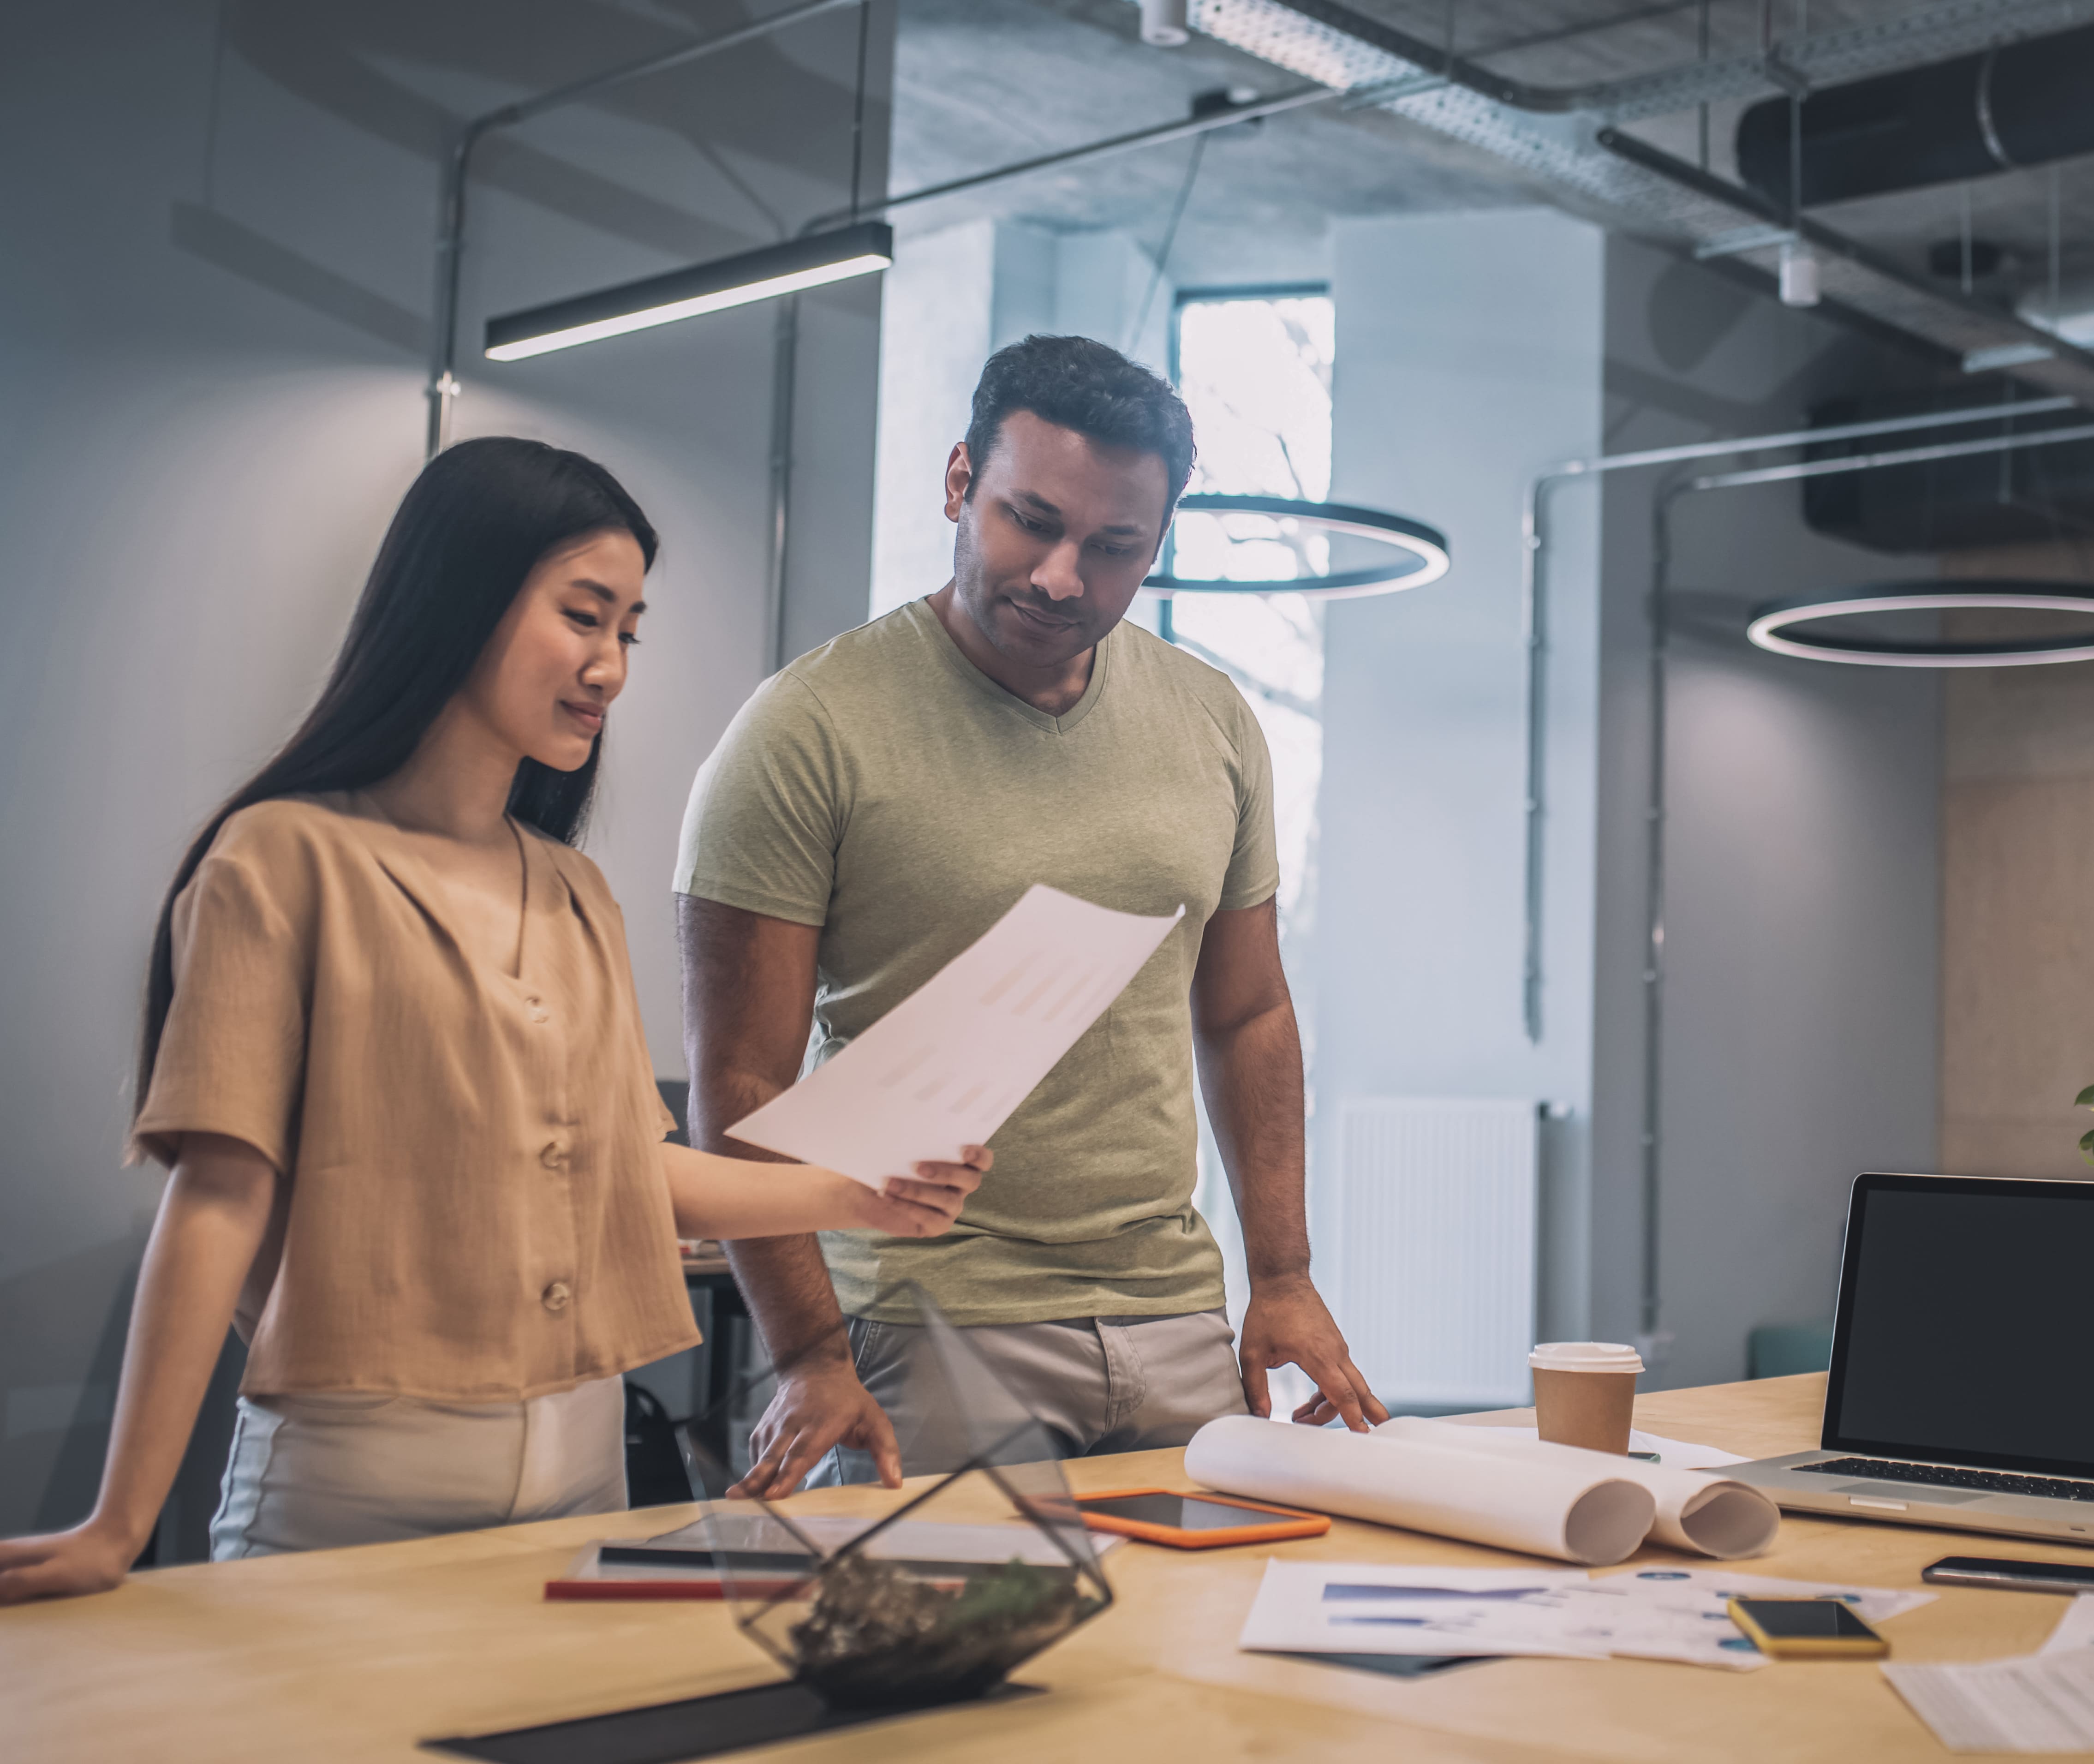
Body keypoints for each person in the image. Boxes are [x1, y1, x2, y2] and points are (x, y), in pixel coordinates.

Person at [0, 439, 987, 1604]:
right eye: (584, 615)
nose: (611, 665)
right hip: (349, 1487)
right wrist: (120, 1521)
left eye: (629, 630)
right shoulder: (280, 859)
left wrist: (861, 1194)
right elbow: (219, 1194)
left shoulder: (574, 891)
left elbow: (636, 1173)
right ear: (461, 597)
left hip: (580, 1479)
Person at [678, 334, 1381, 1495]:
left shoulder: (1210, 721)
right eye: (1030, 520)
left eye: (1113, 548)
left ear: (1158, 546)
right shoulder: (805, 731)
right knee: (952, 1671)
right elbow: (742, 1084)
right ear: (959, 482)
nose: (1063, 575)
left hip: (1172, 1313)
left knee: (1183, 1666)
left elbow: (1248, 1011)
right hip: (927, 1322)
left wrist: (1287, 1276)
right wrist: (806, 1350)